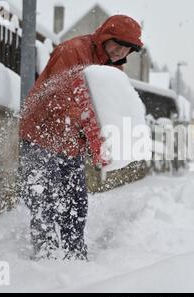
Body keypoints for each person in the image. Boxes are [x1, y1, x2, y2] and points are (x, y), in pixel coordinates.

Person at [19, 15, 144, 260]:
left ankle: (74, 253)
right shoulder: (73, 52)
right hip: (40, 133)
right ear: (105, 37)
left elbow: (108, 108)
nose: (120, 51)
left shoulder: (112, 66)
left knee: (75, 201)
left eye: (126, 48)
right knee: (44, 200)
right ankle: (45, 256)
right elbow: (58, 99)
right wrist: (90, 127)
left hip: (71, 143)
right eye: (116, 44)